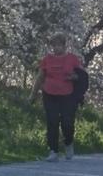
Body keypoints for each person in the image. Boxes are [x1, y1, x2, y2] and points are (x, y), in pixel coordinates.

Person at [29, 33, 84, 162]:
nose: (55, 48)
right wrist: (33, 94)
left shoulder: (72, 59)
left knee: (67, 123)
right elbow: (40, 77)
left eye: (58, 45)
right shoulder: (47, 59)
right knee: (52, 122)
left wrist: (73, 77)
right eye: (53, 45)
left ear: (64, 45)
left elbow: (81, 76)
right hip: (49, 94)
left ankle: (68, 143)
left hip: (68, 95)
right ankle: (53, 151)